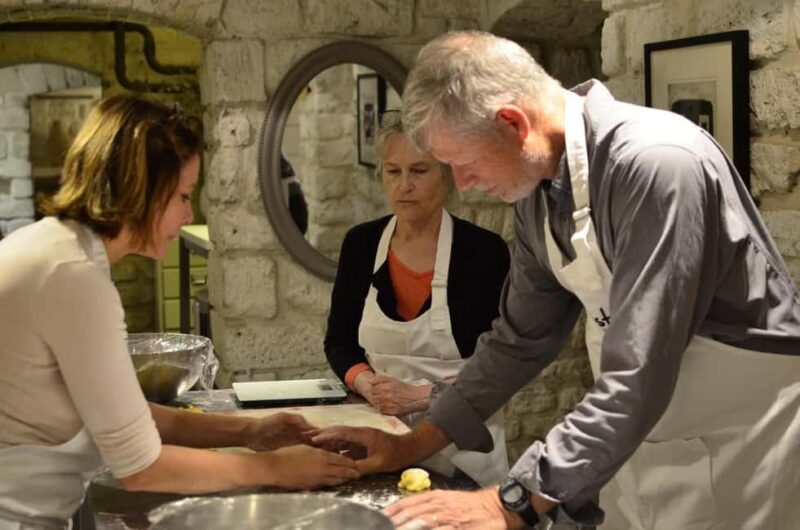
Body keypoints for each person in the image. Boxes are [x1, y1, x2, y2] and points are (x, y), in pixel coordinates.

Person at [313, 31, 800, 529]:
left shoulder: (656, 166)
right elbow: (518, 341)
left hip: (740, 438)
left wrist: (508, 502)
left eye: (462, 162)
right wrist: (414, 443)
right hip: (641, 437)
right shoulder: (538, 194)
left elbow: (640, 371)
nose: (463, 184)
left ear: (512, 123)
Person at [0, 95, 358, 530]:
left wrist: (248, 432)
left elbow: (126, 416)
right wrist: (274, 469)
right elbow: (140, 467)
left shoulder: (62, 253)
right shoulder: (71, 276)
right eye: (182, 195)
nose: (190, 213)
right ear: (144, 190)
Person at [324, 109, 511, 486]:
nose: (403, 185)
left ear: (447, 177)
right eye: (393, 172)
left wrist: (420, 395)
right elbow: (340, 342)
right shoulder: (361, 245)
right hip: (381, 435)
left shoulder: (483, 253)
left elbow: (499, 366)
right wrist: (364, 383)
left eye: (419, 171)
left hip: (465, 447)